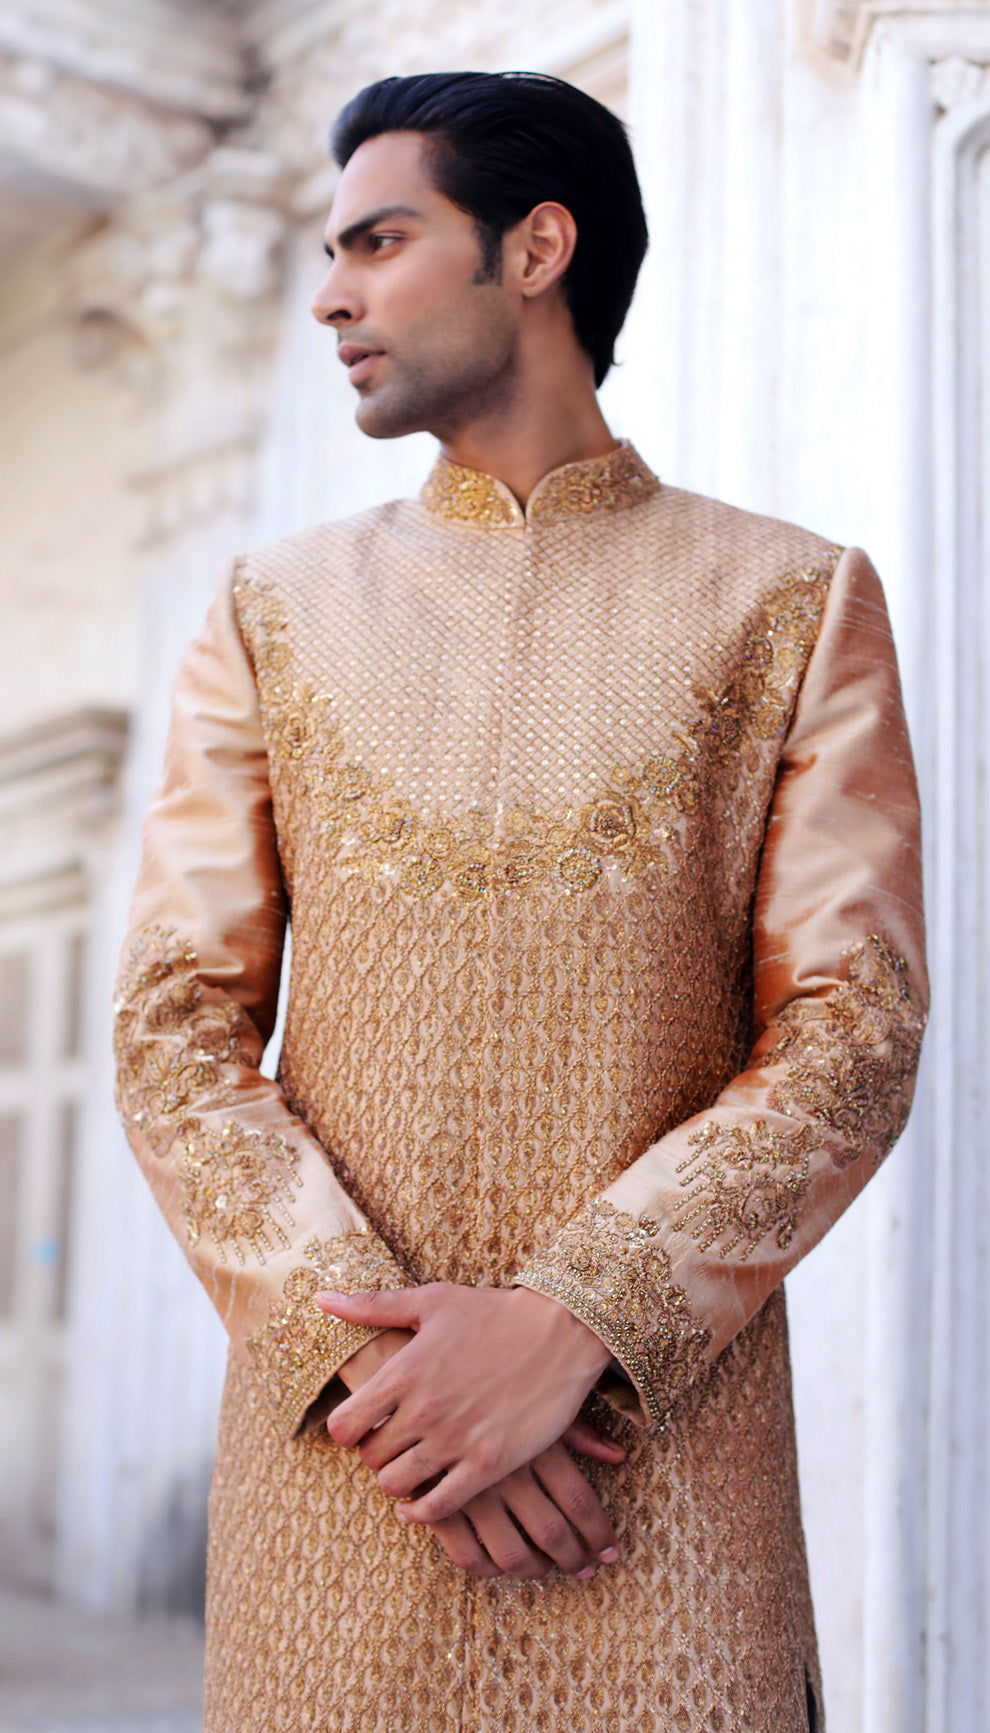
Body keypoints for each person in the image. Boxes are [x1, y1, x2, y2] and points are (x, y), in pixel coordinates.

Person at [113, 70, 927, 1733]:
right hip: (351, 1479)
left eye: (382, 238)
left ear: (536, 246)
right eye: (329, 250)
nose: (331, 290)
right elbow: (170, 1024)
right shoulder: (277, 610)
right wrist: (390, 1381)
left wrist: (576, 1326)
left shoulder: (785, 600)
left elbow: (853, 1027)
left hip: (650, 1469)